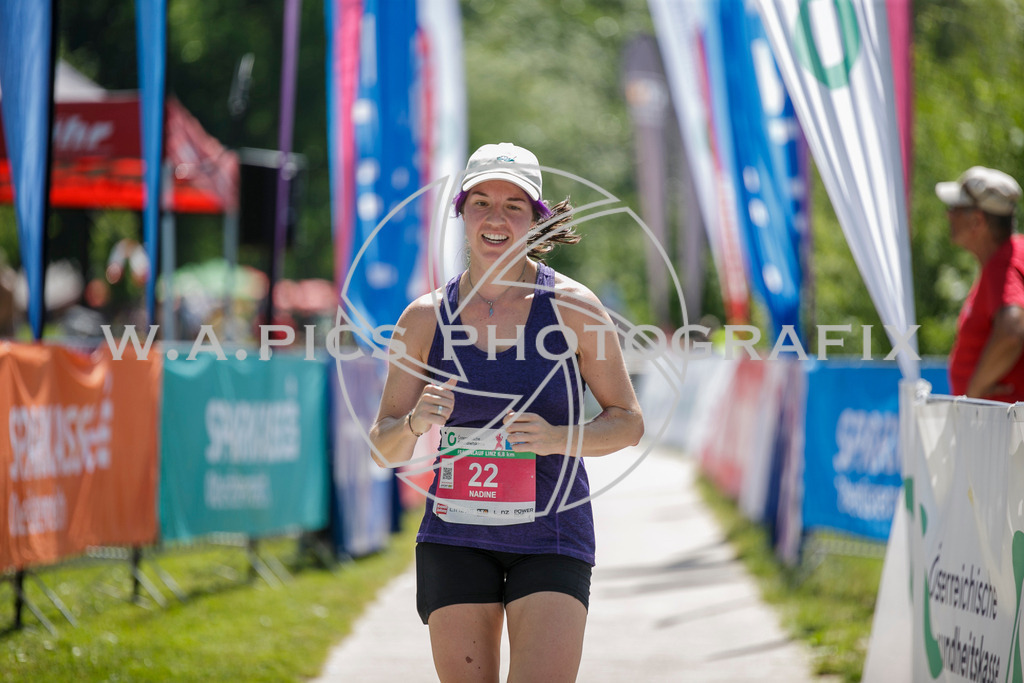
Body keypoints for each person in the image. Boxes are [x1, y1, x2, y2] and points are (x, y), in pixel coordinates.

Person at [369, 142, 644, 682]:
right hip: (455, 536)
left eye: (514, 206)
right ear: (462, 213)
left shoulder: (574, 307)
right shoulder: (424, 318)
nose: (496, 218)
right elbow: (383, 445)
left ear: (537, 220)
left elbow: (628, 422)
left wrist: (556, 437)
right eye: (481, 203)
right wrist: (416, 423)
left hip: (552, 534)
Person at [937, 165, 1024, 400]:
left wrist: (973, 392)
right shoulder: (1012, 255)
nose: (949, 215)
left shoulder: (1001, 264)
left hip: (1002, 429)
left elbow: (1012, 329)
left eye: (956, 208)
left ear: (977, 220)